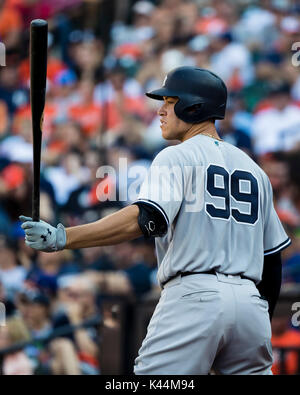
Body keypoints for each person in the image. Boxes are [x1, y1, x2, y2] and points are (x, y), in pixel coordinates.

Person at [20, 66, 291, 375]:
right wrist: (252, 321)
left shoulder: (176, 155)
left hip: (194, 295)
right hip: (251, 305)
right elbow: (272, 261)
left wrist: (63, 238)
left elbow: (147, 218)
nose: (160, 110)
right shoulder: (256, 171)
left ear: (193, 106)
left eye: (169, 101)